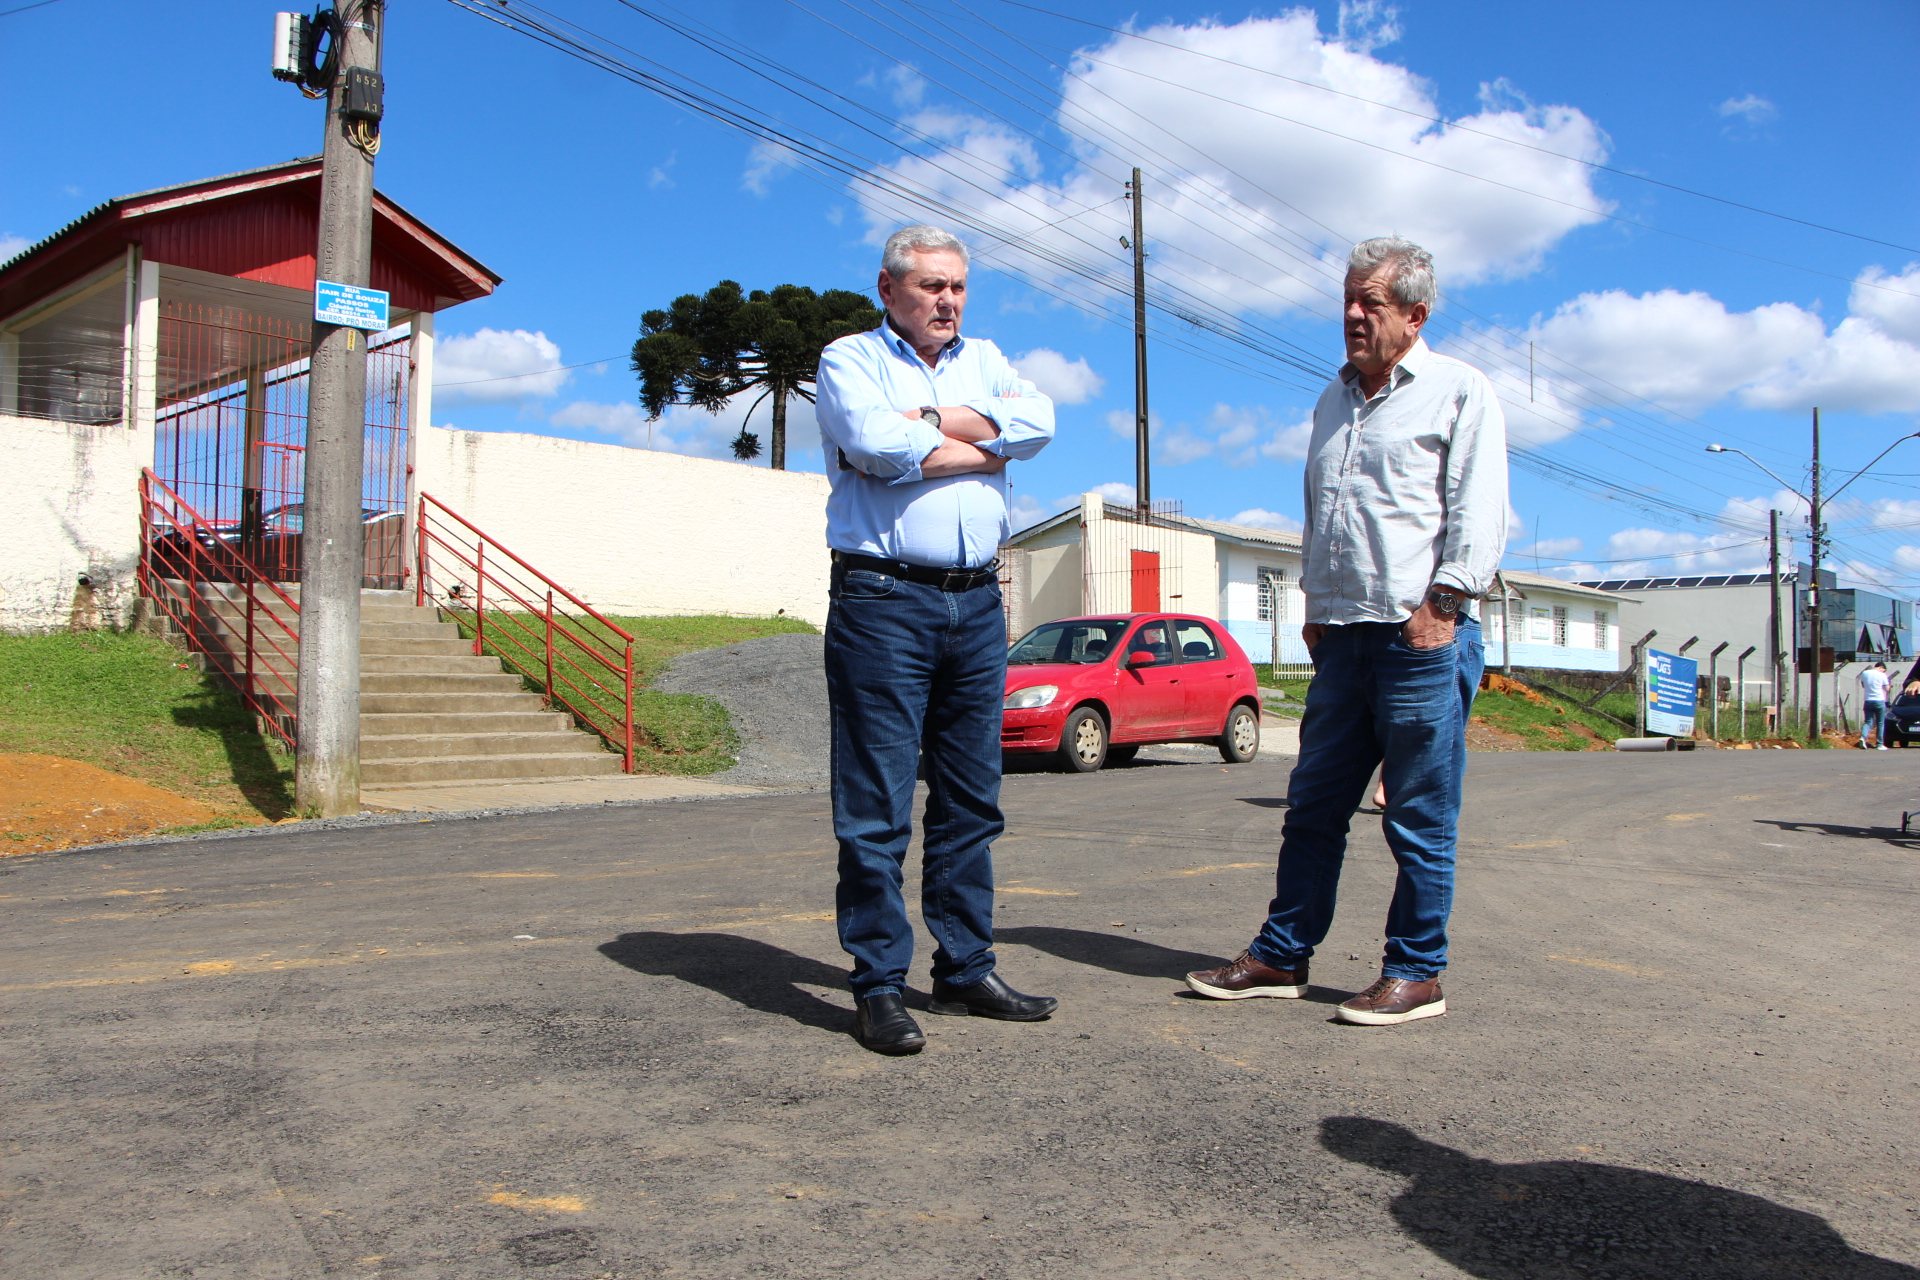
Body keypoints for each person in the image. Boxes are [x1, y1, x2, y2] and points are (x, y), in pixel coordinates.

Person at [1185, 236, 1508, 1026]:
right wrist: (1314, 607)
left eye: (1372, 303)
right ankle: (1281, 954)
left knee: (1419, 818)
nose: (1354, 316)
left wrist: (1444, 606)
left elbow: (1480, 509)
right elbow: (1324, 516)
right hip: (1342, 639)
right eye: (1348, 301)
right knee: (1314, 809)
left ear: (1416, 314)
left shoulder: (1461, 392)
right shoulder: (1332, 401)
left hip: (1418, 639)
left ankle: (1416, 971)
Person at [814, 224, 1058, 1055]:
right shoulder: (849, 359)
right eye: (931, 287)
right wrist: (982, 453)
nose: (948, 301)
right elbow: (874, 446)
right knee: (877, 805)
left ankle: (964, 966)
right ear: (889, 289)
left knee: (971, 797)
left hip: (977, 602)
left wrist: (930, 422)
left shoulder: (986, 357)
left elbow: (1039, 421)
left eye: (957, 287)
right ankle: (879, 982)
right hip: (884, 600)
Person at [1859, 661, 1890, 749]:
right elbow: (1887, 689)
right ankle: (1879, 744)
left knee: (1868, 721)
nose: (1884, 672)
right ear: (1881, 667)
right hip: (1879, 700)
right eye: (1884, 670)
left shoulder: (1864, 673)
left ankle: (1863, 738)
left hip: (1868, 700)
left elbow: (1863, 685)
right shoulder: (1882, 675)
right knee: (1880, 723)